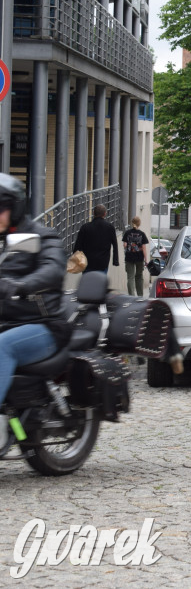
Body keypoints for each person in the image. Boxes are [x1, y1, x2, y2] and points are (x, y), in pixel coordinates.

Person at [0, 174, 72, 446]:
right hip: (8, 323)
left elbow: (52, 270)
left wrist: (19, 285)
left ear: (15, 206)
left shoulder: (39, 236)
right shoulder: (4, 240)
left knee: (1, 347)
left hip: (44, 325)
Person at [73, 204, 119, 274]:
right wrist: (115, 261)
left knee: (87, 283)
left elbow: (78, 245)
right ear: (105, 214)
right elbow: (115, 245)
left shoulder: (85, 227)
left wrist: (76, 260)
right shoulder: (110, 227)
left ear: (93, 213)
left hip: (88, 262)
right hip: (103, 263)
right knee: (101, 283)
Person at [122, 216, 150, 296]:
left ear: (132, 223)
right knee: (139, 276)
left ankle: (131, 295)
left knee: (130, 277)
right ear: (139, 224)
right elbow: (144, 248)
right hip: (139, 258)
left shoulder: (127, 233)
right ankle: (140, 295)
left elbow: (124, 245)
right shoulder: (142, 234)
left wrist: (130, 246)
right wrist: (146, 260)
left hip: (129, 257)